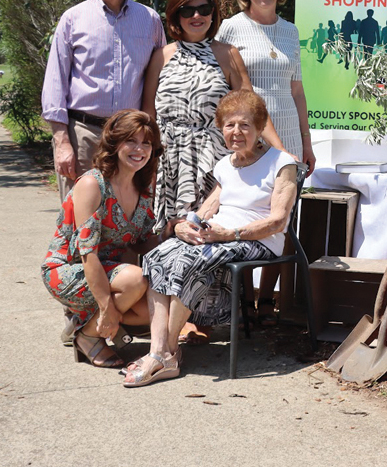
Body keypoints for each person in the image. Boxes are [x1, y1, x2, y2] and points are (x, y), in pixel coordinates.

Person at [142, 0, 285, 343]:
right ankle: (171, 320)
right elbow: (147, 111)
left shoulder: (227, 53)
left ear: (213, 13)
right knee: (175, 231)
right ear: (175, 16)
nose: (196, 16)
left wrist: (284, 155)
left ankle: (206, 319)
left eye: (203, 9)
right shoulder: (163, 54)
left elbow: (252, 110)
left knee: (207, 238)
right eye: (187, 10)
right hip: (171, 156)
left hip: (212, 158)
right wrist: (147, 161)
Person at [126, 90, 298, 387]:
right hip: (217, 236)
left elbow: (278, 221)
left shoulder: (281, 163)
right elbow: (207, 209)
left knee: (190, 262)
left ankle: (163, 353)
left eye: (244, 125)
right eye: (229, 125)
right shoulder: (225, 164)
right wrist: (183, 226)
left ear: (259, 129)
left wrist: (228, 235)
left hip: (257, 240)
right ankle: (161, 351)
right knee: (159, 255)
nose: (236, 132)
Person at [217, 0, 316, 325]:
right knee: (244, 210)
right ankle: (235, 302)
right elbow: (227, 85)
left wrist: (305, 142)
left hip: (288, 133)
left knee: (283, 219)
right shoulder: (231, 28)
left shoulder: (291, 31)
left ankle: (265, 301)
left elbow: (297, 89)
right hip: (250, 136)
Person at [42, 0, 166, 202]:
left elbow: (160, 83)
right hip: (83, 136)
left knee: (129, 217)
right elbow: (55, 85)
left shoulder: (150, 20)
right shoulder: (73, 19)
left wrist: (153, 142)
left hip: (132, 139)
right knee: (80, 219)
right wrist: (62, 143)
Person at [41, 110, 162, 367]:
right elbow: (88, 254)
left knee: (153, 309)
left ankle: (83, 322)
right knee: (136, 280)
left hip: (110, 271)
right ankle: (88, 336)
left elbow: (142, 239)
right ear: (115, 143)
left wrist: (173, 239)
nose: (139, 149)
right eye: (131, 140)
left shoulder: (143, 186)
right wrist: (107, 307)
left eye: (146, 143)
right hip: (69, 269)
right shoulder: (93, 184)